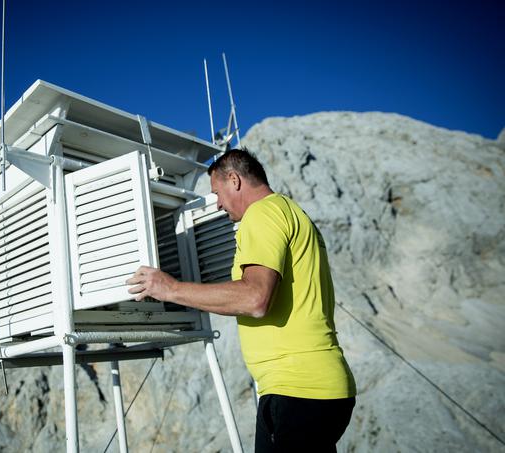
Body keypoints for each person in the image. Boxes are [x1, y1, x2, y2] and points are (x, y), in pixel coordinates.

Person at [127, 148, 356, 452]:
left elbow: (255, 298)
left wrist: (169, 289)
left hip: (298, 391)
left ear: (234, 179)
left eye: (217, 192)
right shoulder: (290, 211)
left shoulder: (261, 214)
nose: (217, 203)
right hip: (318, 390)